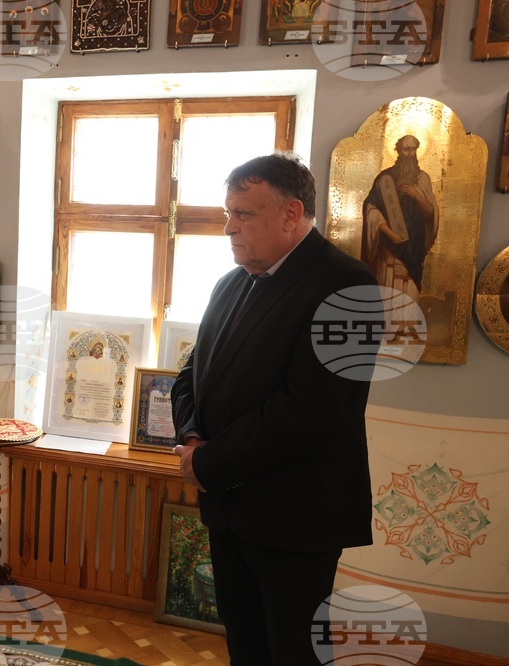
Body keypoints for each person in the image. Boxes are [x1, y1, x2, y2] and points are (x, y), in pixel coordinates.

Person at [170, 153, 377, 664]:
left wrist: (207, 464)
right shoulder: (231, 282)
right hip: (229, 508)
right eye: (227, 212)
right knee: (245, 642)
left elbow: (310, 410)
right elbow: (190, 376)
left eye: (243, 214)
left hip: (296, 514)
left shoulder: (349, 286)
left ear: (291, 214)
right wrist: (193, 437)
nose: (228, 228)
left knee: (293, 652)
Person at [361, 134, 438, 303]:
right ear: (398, 150)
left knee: (409, 291)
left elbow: (431, 214)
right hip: (389, 248)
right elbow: (371, 209)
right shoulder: (385, 179)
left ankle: (406, 329)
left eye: (413, 149)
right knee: (388, 289)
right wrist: (388, 232)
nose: (410, 154)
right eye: (406, 149)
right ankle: (385, 329)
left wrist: (415, 195)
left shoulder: (423, 179)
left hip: (414, 248)